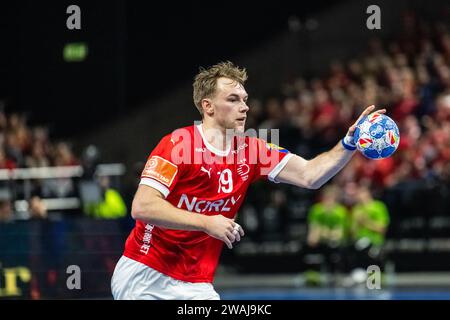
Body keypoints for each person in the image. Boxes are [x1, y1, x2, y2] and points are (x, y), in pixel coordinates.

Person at [111, 61, 386, 300]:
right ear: (208, 106)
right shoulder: (177, 145)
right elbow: (143, 207)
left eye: (244, 99)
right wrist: (207, 222)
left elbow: (310, 175)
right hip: (145, 273)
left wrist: (349, 143)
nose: (244, 107)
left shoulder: (253, 151)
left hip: (196, 283)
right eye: (233, 99)